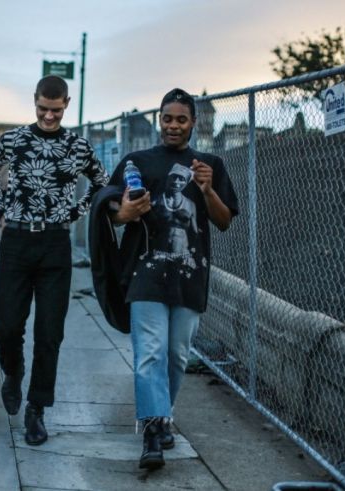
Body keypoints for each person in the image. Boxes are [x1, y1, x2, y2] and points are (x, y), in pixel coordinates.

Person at [102, 88, 239, 470]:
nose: (173, 126)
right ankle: (152, 430)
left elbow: (224, 221)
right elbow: (111, 211)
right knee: (150, 352)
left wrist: (208, 189)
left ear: (193, 123)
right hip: (145, 271)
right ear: (160, 120)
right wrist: (127, 210)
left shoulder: (208, 164)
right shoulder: (137, 160)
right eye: (167, 118)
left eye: (181, 119)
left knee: (177, 355)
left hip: (189, 275)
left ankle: (163, 415)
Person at [0, 75, 109, 446]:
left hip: (56, 243)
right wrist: (0, 210)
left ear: (66, 104)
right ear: (34, 101)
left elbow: (102, 182)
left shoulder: (77, 146)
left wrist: (76, 212)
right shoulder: (13, 140)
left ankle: (37, 409)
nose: (49, 116)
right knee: (6, 324)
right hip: (16, 241)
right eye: (42, 109)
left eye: (55, 110)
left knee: (49, 332)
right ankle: (13, 369)